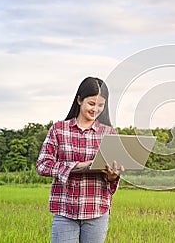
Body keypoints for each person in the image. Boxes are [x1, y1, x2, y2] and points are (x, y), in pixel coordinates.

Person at [36, 77, 124, 243]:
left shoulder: (109, 133)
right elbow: (42, 166)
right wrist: (79, 166)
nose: (96, 109)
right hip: (65, 210)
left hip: (97, 210)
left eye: (100, 105)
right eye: (91, 103)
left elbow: (112, 182)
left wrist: (113, 176)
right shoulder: (59, 130)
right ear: (79, 100)